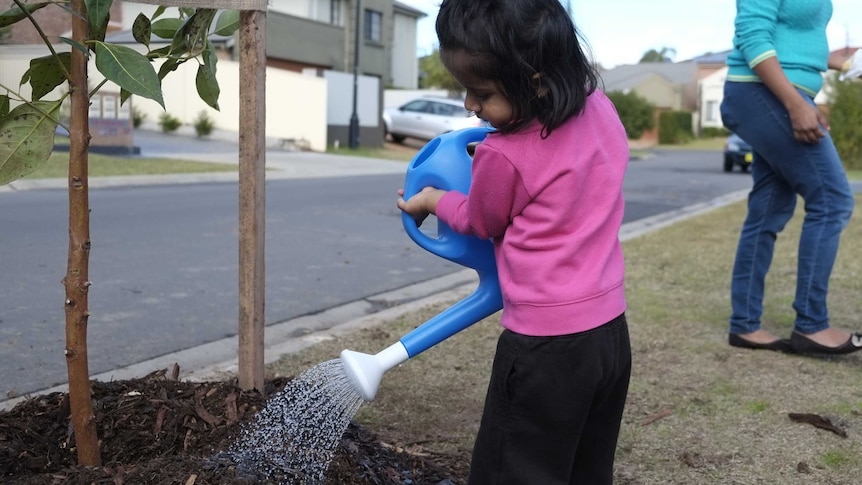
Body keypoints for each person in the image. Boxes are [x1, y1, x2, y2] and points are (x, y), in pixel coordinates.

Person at [396, 1, 631, 483]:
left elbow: (480, 220)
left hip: (545, 349)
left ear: (538, 82)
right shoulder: (599, 107)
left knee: (514, 469)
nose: (469, 105)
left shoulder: (503, 155)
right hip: (608, 335)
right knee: (585, 467)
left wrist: (434, 199)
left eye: (481, 93)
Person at [721, 0, 861, 354]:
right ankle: (812, 325)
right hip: (762, 92)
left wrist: (845, 61)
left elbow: (796, 40)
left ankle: (744, 324)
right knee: (832, 200)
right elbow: (752, 36)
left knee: (770, 208)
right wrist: (796, 104)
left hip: (779, 93)